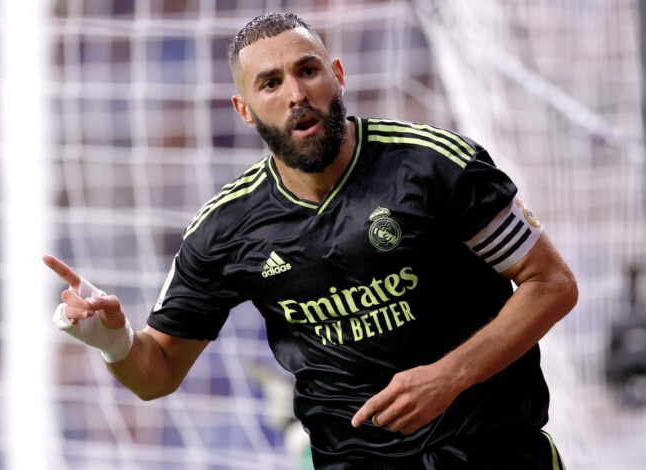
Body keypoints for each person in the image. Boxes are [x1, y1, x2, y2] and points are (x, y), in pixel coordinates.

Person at [44, 12, 577, 470]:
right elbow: (156, 374)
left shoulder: (434, 165)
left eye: (307, 70)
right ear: (244, 109)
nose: (296, 95)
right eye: (270, 83)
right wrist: (114, 342)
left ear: (337, 75)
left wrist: (448, 377)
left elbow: (551, 284)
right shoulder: (225, 229)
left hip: (496, 451)